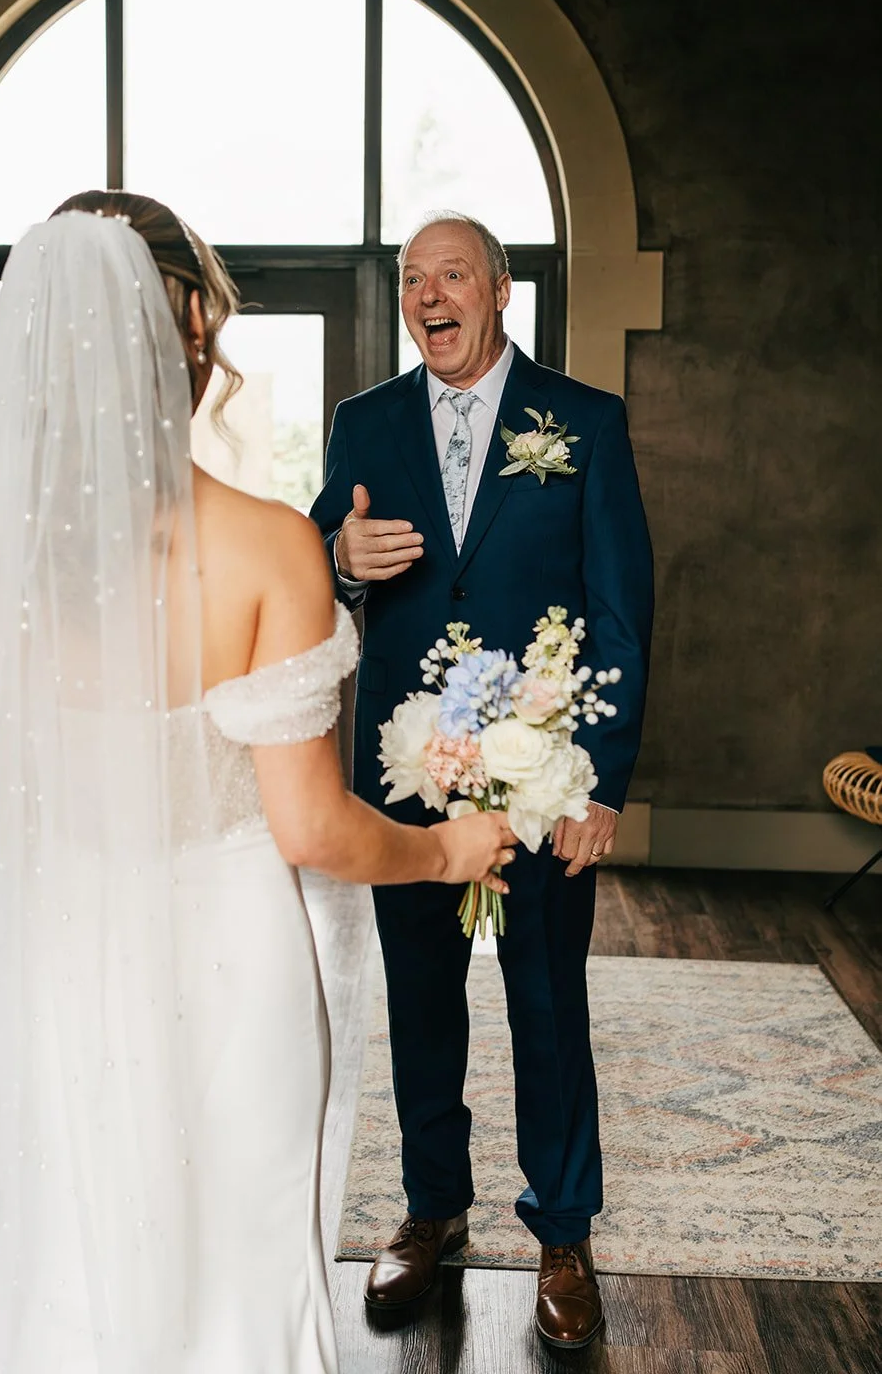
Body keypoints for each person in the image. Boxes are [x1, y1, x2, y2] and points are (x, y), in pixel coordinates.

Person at [0, 191, 515, 1374]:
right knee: (231, 1271)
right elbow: (309, 826)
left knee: (75, 1251)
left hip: (57, 959)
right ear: (189, 320)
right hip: (226, 959)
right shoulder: (263, 546)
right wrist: (450, 848)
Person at [310, 210, 653, 1351]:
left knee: (546, 1003)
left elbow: (617, 610)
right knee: (420, 1001)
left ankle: (561, 1230)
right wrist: (335, 563)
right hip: (408, 777)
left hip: (542, 775)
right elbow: (313, 573)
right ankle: (429, 1210)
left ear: (499, 291)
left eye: (450, 273)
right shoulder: (363, 424)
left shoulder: (583, 422)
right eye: (412, 278)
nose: (427, 293)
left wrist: (598, 782)